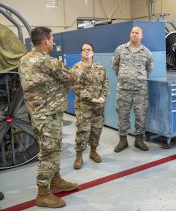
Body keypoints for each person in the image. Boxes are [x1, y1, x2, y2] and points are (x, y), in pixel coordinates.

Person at [18, 27, 88, 208]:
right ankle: (43, 193)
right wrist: (81, 67)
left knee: (53, 148)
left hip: (39, 113)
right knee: (49, 153)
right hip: (47, 114)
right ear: (45, 40)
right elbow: (72, 77)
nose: (53, 42)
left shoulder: (24, 60)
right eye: (52, 39)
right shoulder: (46, 61)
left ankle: (55, 181)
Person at [112, 26, 154, 152]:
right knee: (122, 115)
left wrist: (137, 78)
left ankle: (139, 140)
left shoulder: (146, 52)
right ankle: (123, 140)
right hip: (123, 89)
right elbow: (115, 66)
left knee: (141, 115)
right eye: (132, 32)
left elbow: (149, 69)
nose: (134, 34)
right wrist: (125, 77)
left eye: (137, 33)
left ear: (141, 36)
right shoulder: (120, 49)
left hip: (140, 90)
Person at [72, 43, 109, 169]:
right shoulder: (76, 68)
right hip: (84, 106)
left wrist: (103, 96)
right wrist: (92, 98)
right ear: (81, 53)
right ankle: (79, 156)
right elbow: (76, 87)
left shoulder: (100, 67)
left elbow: (106, 82)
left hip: (98, 106)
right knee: (83, 131)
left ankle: (93, 152)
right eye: (84, 50)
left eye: (89, 50)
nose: (86, 52)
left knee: (96, 130)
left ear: (93, 52)